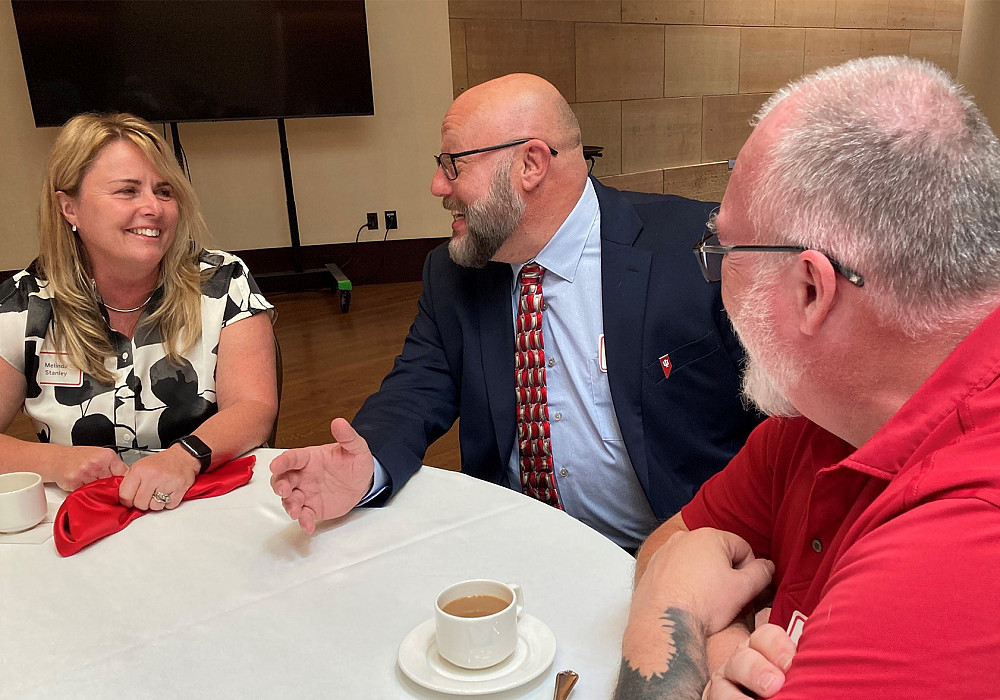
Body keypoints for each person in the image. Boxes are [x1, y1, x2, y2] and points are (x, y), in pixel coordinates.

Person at [616, 56, 1000, 699]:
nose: (713, 279)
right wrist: (727, 646)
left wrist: (672, 618)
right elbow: (670, 545)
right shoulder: (827, 411)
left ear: (810, 289)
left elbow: (674, 579)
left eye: (724, 253)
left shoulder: (962, 551)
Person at [270, 73, 761, 550]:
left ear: (531, 164)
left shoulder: (697, 249)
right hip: (514, 549)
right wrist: (367, 466)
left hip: (674, 556)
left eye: (453, 164)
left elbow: (781, 425)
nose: (438, 186)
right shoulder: (453, 273)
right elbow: (415, 392)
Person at [0, 112, 278, 511]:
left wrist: (183, 458)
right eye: (128, 191)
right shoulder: (25, 303)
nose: (154, 207)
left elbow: (254, 408)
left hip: (206, 503)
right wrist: (56, 461)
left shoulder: (223, 283)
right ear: (69, 207)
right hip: (83, 518)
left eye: (164, 191)